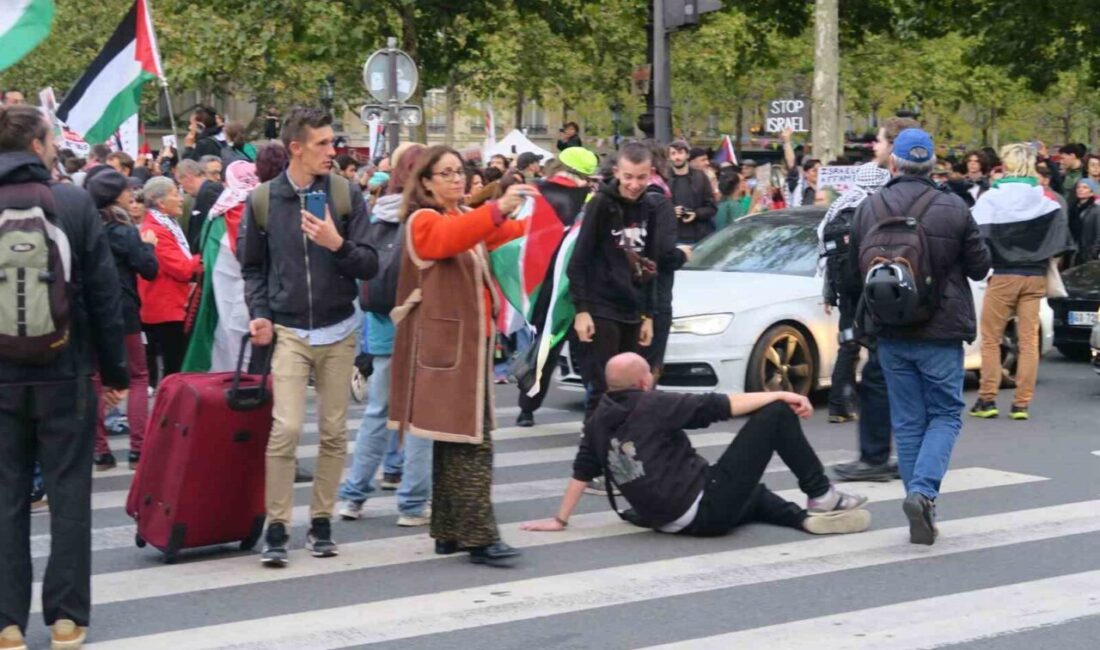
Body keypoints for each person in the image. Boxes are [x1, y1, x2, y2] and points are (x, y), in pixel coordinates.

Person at [0, 103, 129, 650]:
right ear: (37, 144)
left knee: (5, 498)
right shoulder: (74, 203)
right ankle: (66, 620)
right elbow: (104, 295)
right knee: (69, 494)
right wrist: (116, 371)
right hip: (66, 371)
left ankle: (6, 623)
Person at [239, 107, 379, 567]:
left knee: (335, 431)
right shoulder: (263, 200)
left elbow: (370, 263)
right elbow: (253, 267)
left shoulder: (344, 194)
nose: (332, 151)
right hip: (289, 330)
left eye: (332, 142)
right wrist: (259, 314)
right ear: (295, 148)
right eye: (322, 144)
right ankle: (277, 526)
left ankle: (321, 521)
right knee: (288, 428)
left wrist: (335, 244)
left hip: (339, 330)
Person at [521, 353, 870, 537]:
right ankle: (822, 494)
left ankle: (803, 521)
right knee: (776, 415)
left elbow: (582, 470)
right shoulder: (652, 403)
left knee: (752, 493)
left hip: (667, 518)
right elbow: (721, 406)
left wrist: (559, 519)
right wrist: (782, 393)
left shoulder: (596, 419)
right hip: (703, 508)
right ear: (645, 381)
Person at [387, 145, 534, 567]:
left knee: (456, 441)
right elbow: (451, 240)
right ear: (426, 181)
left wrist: (541, 215)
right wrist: (495, 209)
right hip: (446, 350)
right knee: (472, 441)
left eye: (459, 172)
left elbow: (499, 236)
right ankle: (479, 537)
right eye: (446, 173)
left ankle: (448, 532)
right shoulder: (424, 220)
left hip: (466, 347)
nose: (456, 179)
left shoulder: (457, 217)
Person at [848, 128, 991, 545]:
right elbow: (980, 267)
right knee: (945, 414)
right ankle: (923, 493)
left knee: (908, 422)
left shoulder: (869, 207)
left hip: (890, 329)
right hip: (941, 330)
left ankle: (918, 501)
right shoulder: (954, 207)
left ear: (893, 163)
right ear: (933, 166)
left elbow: (853, 270)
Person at [339, 143, 434, 525]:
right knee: (420, 416)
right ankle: (412, 503)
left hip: (380, 322)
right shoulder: (426, 217)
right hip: (419, 322)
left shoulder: (378, 208)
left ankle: (353, 496)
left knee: (378, 412)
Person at [970, 143, 1076, 421]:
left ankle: (987, 398)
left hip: (1003, 274)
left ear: (1006, 165)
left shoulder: (991, 197)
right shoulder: (1046, 201)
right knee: (1029, 341)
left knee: (991, 339)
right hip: (1035, 275)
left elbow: (974, 237)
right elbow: (1062, 242)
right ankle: (1021, 404)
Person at [569, 142, 660, 423]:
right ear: (618, 172)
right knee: (603, 385)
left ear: (651, 174)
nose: (634, 184)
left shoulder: (651, 207)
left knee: (630, 387)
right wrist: (582, 310)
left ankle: (618, 442)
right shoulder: (601, 204)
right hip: (601, 305)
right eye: (628, 177)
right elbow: (579, 260)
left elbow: (651, 265)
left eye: (641, 177)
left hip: (633, 307)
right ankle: (592, 448)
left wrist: (649, 316)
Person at [515, 147, 601, 427]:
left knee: (545, 350)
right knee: (589, 351)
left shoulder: (536, 194)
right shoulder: (592, 201)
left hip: (547, 286)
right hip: (584, 288)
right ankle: (596, 408)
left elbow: (522, 238)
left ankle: (526, 408)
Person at [86, 170, 159, 471]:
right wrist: (149, 246)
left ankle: (100, 451)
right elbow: (149, 269)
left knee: (95, 378)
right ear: (116, 196)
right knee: (138, 376)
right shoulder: (126, 231)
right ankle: (138, 450)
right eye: (127, 192)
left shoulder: (85, 228)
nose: (133, 197)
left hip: (92, 312)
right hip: (125, 311)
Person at [818, 162, 892, 425]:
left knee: (848, 342)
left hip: (844, 287)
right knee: (876, 342)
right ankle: (876, 404)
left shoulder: (838, 205)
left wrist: (829, 293)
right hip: (869, 285)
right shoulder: (875, 205)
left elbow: (825, 252)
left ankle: (839, 405)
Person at [181, 160, 260, 373]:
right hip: (257, 291)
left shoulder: (219, 213)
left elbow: (207, 250)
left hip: (222, 290)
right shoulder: (264, 206)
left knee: (224, 336)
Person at [139, 176, 202, 389]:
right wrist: (204, 258)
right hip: (165, 310)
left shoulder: (165, 225)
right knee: (174, 370)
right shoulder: (156, 230)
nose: (181, 199)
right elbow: (182, 269)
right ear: (161, 203)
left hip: (168, 307)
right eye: (175, 194)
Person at [667, 140, 717, 243]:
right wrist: (670, 211)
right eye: (673, 153)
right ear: (669, 157)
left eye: (680, 153)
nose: (677, 157)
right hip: (673, 237)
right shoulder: (664, 178)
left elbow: (712, 207)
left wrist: (696, 214)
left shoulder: (701, 177)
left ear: (687, 155)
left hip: (698, 236)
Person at [177, 158, 224, 252]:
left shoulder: (209, 192)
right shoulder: (205, 192)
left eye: (180, 183)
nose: (182, 188)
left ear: (188, 177)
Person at [1069, 178, 1100, 264]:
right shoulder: (1072, 208)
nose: (1080, 190)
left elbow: (1098, 234)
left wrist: (1094, 253)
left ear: (1092, 192)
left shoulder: (1096, 210)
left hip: (1087, 253)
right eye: (1078, 187)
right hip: (1073, 251)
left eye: (1085, 187)